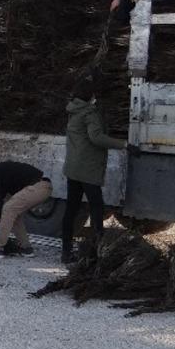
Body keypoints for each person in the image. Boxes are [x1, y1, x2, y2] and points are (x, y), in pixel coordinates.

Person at [61, 74, 127, 264]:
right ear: (91, 95)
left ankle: (66, 252)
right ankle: (99, 251)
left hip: (73, 168)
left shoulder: (73, 110)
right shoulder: (89, 113)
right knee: (96, 209)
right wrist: (124, 144)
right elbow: (96, 137)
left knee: (71, 210)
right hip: (88, 169)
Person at [0, 162, 53, 259]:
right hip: (42, 186)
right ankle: (26, 248)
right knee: (14, 214)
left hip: (38, 186)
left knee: (9, 208)